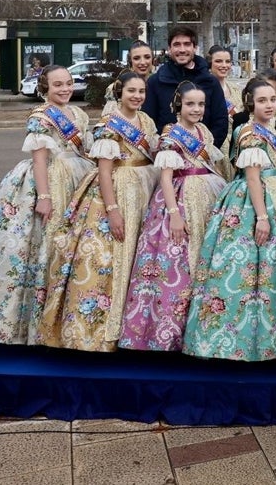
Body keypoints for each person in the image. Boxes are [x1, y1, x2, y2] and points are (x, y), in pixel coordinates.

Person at [0, 67, 94, 343]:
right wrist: (45, 196)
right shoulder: (40, 116)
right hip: (51, 180)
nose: (64, 89)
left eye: (68, 83)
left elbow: (85, 147)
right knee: (46, 246)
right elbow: (40, 159)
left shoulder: (79, 114)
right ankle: (37, 325)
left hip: (79, 177)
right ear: (44, 87)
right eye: (57, 84)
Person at [38, 71, 160, 351]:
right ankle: (103, 332)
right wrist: (113, 210)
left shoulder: (146, 121)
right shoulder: (108, 125)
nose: (137, 96)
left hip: (143, 189)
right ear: (120, 93)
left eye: (141, 91)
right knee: (113, 258)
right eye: (131, 91)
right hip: (117, 193)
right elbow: (104, 172)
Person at [183, 78, 276, 361]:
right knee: (252, 268)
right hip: (255, 200)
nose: (269, 105)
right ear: (250, 102)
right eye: (262, 100)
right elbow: (252, 177)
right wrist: (261, 217)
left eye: (273, 100)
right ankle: (243, 340)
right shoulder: (249, 133)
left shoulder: (267, 128)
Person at [120, 81, 227, 351]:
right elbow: (166, 178)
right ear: (178, 105)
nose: (197, 109)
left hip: (207, 195)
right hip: (179, 199)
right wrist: (174, 214)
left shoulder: (203, 131)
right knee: (178, 263)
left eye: (201, 104)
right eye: (190, 104)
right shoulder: (171, 135)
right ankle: (170, 332)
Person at [143, 26, 230, 148]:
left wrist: (205, 152)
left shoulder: (211, 82)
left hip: (202, 158)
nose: (182, 49)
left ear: (195, 48)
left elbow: (220, 122)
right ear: (169, 49)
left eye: (187, 44)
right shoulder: (155, 82)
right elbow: (148, 122)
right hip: (166, 157)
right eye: (177, 45)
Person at [207, 45, 243, 159]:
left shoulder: (237, 90)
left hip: (237, 146)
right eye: (218, 61)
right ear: (210, 63)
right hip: (216, 147)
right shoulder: (202, 90)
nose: (224, 65)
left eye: (227, 61)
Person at [102, 39, 155, 116]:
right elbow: (108, 122)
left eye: (147, 57)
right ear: (130, 61)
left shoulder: (159, 83)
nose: (143, 62)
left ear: (152, 59)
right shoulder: (117, 87)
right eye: (136, 58)